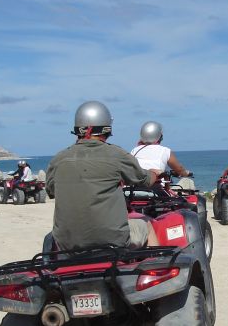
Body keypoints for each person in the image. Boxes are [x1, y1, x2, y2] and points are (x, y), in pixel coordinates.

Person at [46, 101, 160, 251]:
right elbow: (146, 180)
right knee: (147, 225)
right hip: (112, 240)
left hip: (66, 245)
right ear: (106, 127)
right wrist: (155, 173)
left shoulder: (58, 160)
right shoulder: (117, 155)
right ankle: (155, 266)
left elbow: (51, 191)